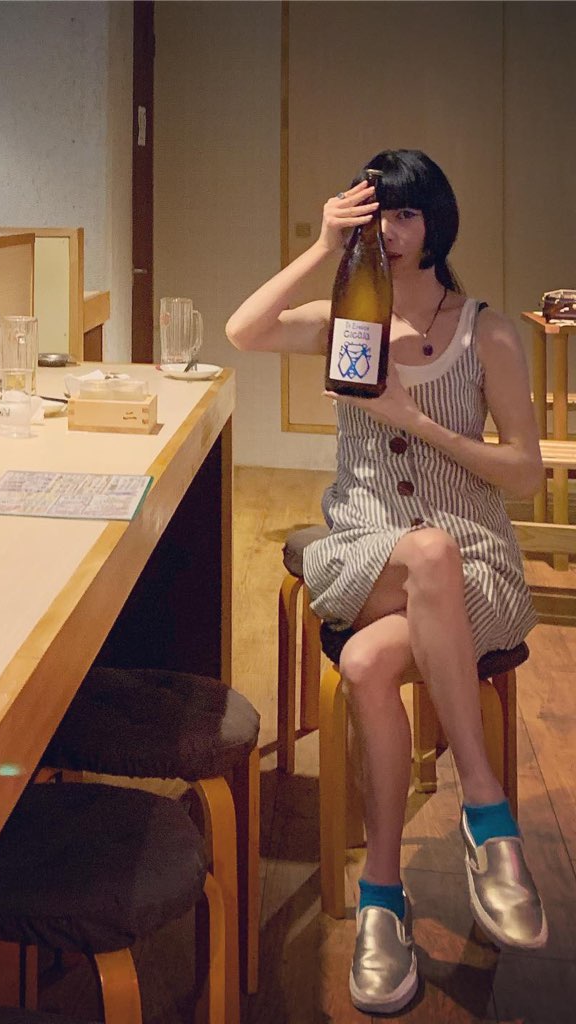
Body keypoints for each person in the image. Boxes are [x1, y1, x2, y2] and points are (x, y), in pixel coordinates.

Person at [225, 149, 547, 1014]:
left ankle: (380, 896)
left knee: (370, 660)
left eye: (406, 214)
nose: (392, 232)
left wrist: (413, 419)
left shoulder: (487, 332)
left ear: (436, 222)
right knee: (423, 553)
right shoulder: (348, 318)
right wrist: (321, 245)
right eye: (378, 216)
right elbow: (244, 330)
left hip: (477, 564)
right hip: (365, 550)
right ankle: (488, 814)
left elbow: (524, 474)